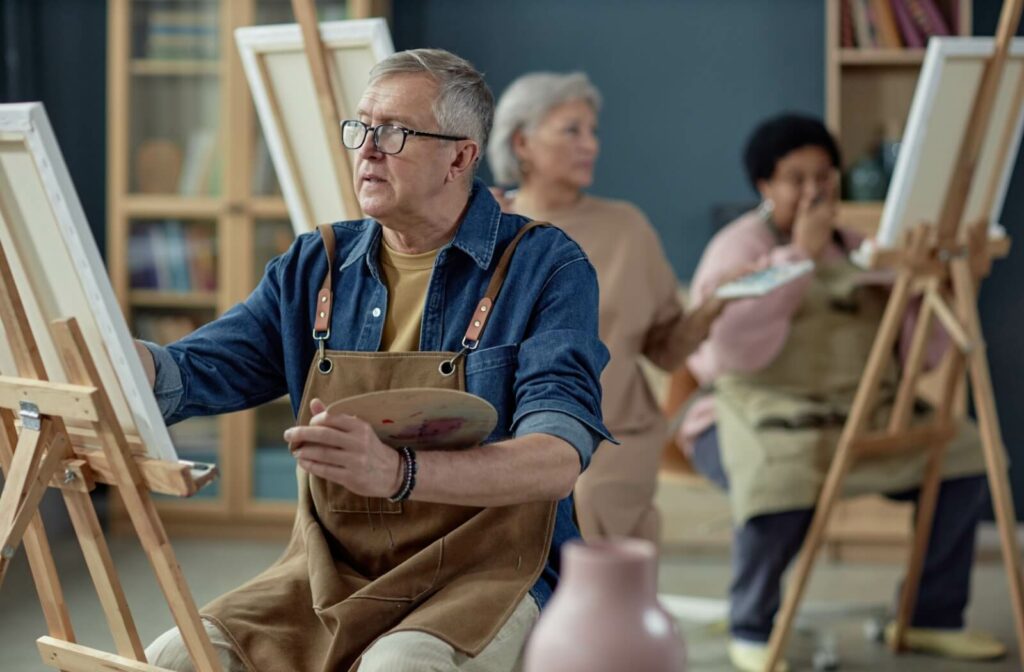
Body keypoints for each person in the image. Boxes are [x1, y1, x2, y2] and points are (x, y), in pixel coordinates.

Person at [138, 49, 612, 672]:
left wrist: (398, 472)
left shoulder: (546, 267)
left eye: (393, 133)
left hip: (486, 573)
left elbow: (556, 460)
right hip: (329, 573)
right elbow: (193, 373)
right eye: (360, 127)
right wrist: (117, 363)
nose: (366, 149)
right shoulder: (316, 263)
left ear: (461, 157)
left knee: (400, 665)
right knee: (173, 658)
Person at [676, 113, 1005, 672]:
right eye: (796, 179)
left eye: (824, 176)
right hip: (754, 412)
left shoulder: (863, 249)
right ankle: (752, 624)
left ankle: (928, 616)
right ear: (764, 186)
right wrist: (798, 259)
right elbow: (729, 355)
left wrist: (941, 288)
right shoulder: (739, 247)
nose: (813, 192)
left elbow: (916, 357)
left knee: (966, 454)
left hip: (860, 414)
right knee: (782, 476)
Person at [487, 71, 724, 544]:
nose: (590, 144)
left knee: (583, 500)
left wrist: (716, 306)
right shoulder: (489, 227)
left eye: (592, 131)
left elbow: (665, 352)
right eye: (571, 130)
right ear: (522, 143)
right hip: (506, 435)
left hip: (613, 436)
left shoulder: (627, 228)